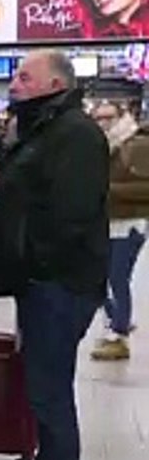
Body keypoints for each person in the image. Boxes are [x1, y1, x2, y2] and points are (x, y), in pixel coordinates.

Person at [0, 50, 109, 460]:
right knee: (41, 386)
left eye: (25, 77)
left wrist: (34, 259)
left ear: (55, 84)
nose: (14, 84)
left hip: (60, 282)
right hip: (40, 280)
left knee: (50, 390)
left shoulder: (75, 134)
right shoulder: (43, 129)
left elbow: (71, 214)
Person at [89, 102, 148, 361]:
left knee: (116, 278)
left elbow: (144, 188)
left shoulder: (136, 146)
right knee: (102, 278)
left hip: (129, 223)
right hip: (109, 222)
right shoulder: (106, 145)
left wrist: (106, 190)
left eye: (108, 117)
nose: (103, 123)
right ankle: (118, 321)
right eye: (98, 118)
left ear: (122, 116)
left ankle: (119, 332)